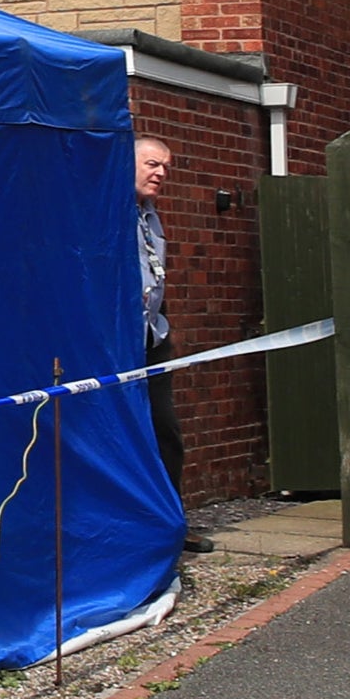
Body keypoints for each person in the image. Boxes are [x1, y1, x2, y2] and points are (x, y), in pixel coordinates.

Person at [136, 134, 209, 548]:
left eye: (166, 166)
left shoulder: (150, 215)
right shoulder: (108, 212)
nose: (162, 173)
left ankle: (171, 525)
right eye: (152, 164)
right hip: (116, 343)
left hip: (152, 339)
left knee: (166, 431)